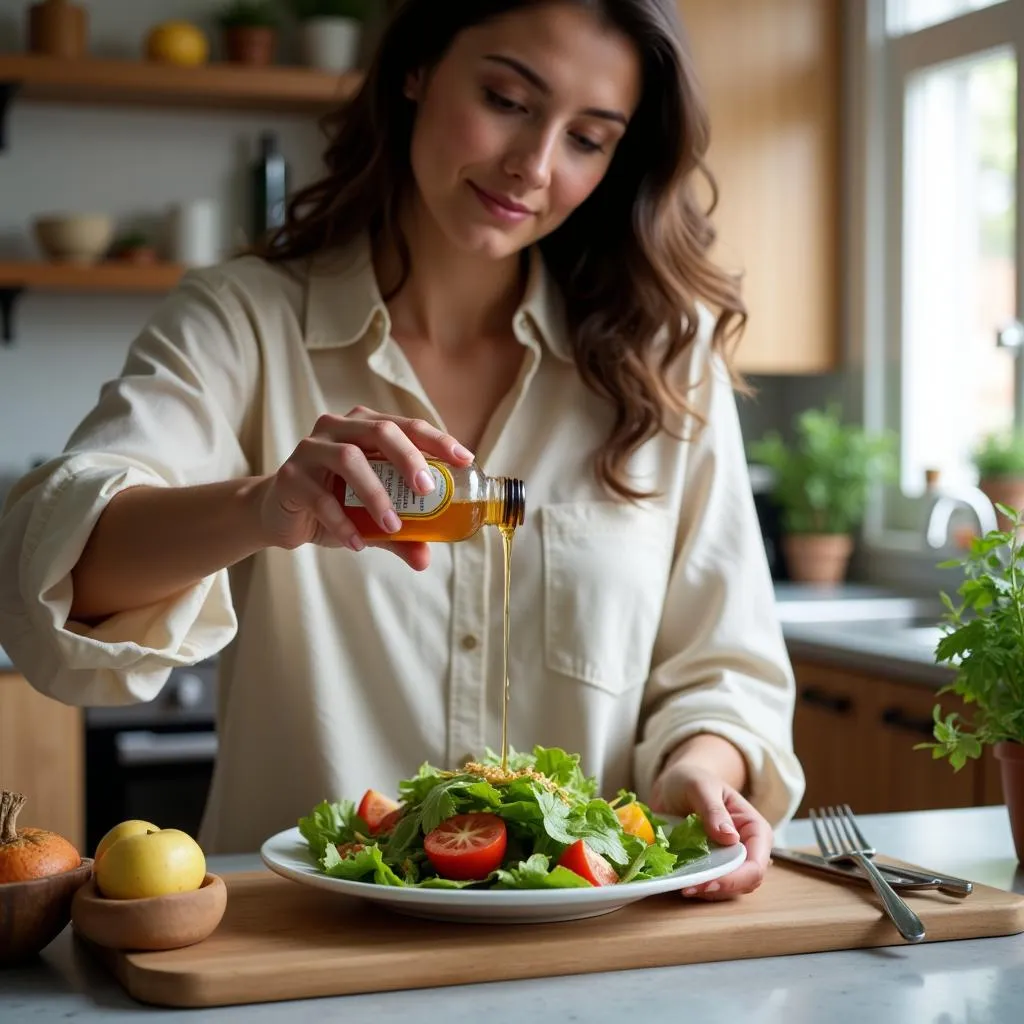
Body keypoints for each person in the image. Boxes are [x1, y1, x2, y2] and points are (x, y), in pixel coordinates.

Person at [0, 0, 804, 896]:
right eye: (506, 98)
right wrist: (260, 506)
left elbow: (722, 667)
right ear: (418, 68)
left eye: (588, 138)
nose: (532, 166)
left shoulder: (667, 358)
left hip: (584, 947)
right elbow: (57, 569)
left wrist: (701, 768)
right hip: (299, 953)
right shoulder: (244, 321)